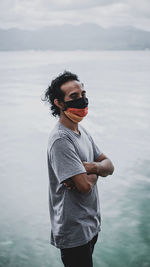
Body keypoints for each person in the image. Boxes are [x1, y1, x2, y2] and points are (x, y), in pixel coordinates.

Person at [42, 70, 114, 267]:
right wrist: (99, 169)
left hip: (91, 225)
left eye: (82, 94)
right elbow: (84, 186)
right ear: (59, 103)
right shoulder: (61, 140)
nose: (82, 100)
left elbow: (110, 165)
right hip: (74, 232)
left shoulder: (82, 131)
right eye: (74, 97)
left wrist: (90, 167)